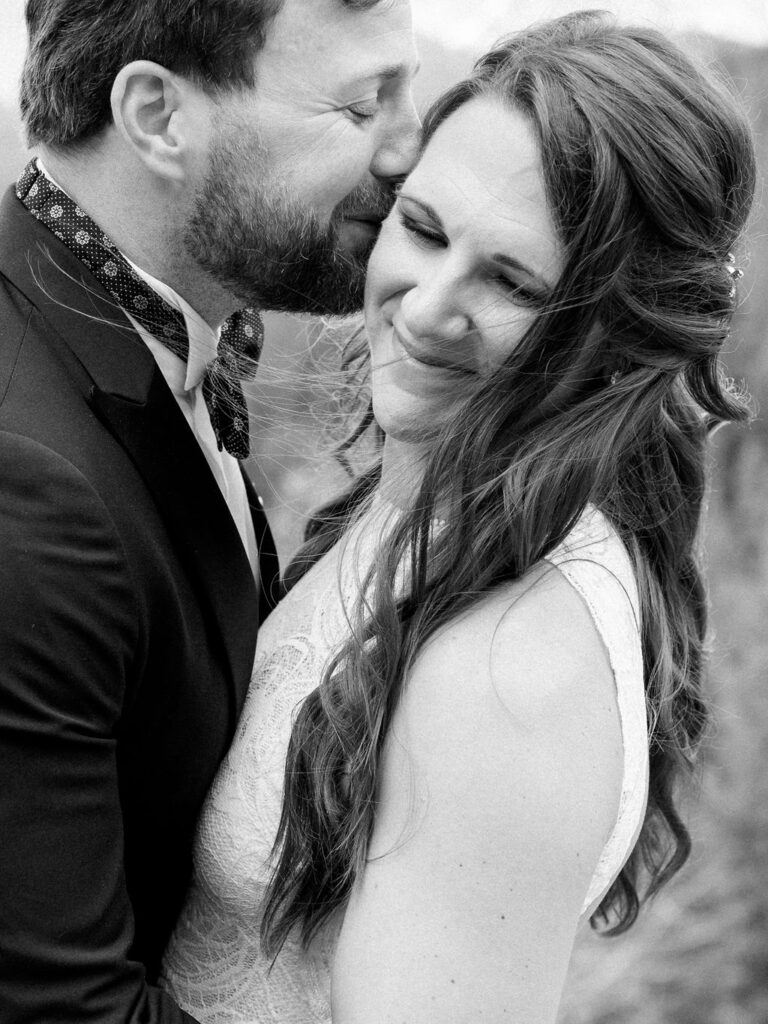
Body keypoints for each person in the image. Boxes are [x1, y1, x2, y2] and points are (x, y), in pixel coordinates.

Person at [160, 10, 757, 1023]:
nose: (428, 307)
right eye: (425, 230)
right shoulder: (419, 514)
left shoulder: (511, 666)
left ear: (618, 326)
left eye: (513, 282)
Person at [0, 0, 419, 1020]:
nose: (411, 152)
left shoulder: (154, 336)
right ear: (157, 116)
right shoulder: (32, 493)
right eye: (366, 105)